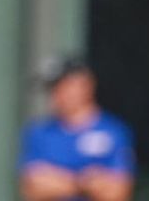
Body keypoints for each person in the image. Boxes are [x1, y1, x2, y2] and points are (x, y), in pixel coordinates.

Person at [19, 58, 136, 201]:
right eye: (53, 89)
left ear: (85, 86)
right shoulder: (40, 132)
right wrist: (84, 182)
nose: (56, 95)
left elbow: (118, 193)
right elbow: (34, 188)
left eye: (62, 86)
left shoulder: (113, 132)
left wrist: (57, 179)